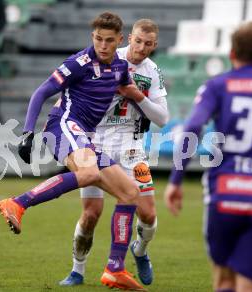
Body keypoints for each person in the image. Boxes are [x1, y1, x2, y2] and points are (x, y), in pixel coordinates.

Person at [0, 12, 148, 291]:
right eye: (98, 39)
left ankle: (115, 268)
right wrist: (27, 133)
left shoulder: (120, 66)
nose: (103, 45)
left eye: (109, 40)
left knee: (130, 194)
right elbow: (41, 92)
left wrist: (145, 108)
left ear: (119, 41)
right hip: (63, 126)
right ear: (93, 37)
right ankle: (18, 203)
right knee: (89, 173)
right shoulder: (78, 63)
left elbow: (126, 88)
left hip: (86, 137)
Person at [164, 21, 252, 292]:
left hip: (226, 195)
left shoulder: (218, 85)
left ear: (231, 53)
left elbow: (193, 127)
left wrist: (176, 180)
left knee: (224, 281)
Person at [59, 18, 168, 287]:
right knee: (91, 212)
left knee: (149, 214)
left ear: (155, 45)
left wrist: (136, 95)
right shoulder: (106, 58)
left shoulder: (152, 71)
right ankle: (77, 270)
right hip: (96, 142)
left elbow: (163, 118)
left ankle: (139, 251)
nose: (142, 48)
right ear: (128, 38)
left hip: (132, 148)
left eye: (148, 44)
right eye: (138, 41)